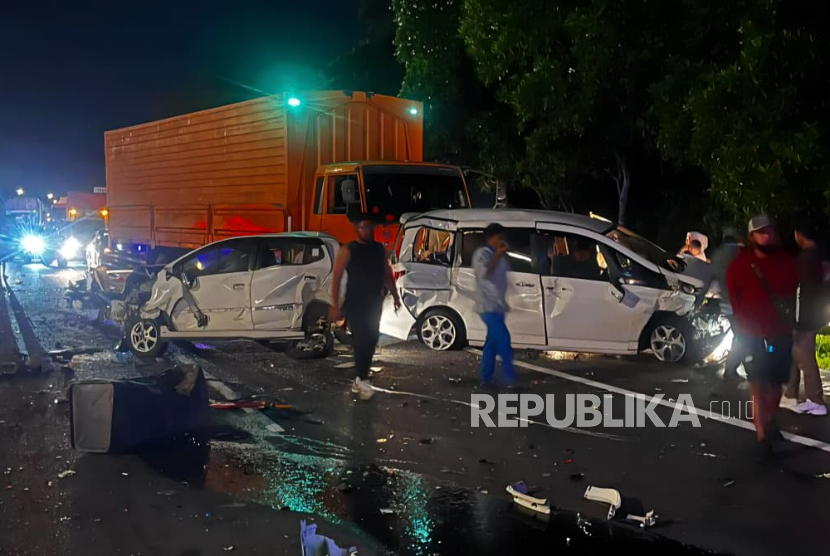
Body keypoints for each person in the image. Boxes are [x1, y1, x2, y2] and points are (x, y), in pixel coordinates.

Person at [726, 215, 799, 454]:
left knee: (776, 382)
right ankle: (761, 436)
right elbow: (733, 295)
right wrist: (741, 325)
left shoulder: (787, 261)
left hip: (780, 332)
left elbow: (796, 289)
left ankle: (769, 421)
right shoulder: (741, 264)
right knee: (757, 384)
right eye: (761, 232)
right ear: (752, 236)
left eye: (769, 231)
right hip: (753, 335)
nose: (766, 236)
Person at [330, 214, 401, 401]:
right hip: (355, 302)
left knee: (372, 338)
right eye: (363, 227)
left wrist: (395, 295)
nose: (367, 231)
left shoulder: (378, 249)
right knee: (362, 338)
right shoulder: (349, 250)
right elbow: (336, 277)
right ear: (357, 229)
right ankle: (362, 378)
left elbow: (387, 273)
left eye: (370, 227)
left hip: (374, 302)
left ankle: (361, 376)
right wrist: (335, 304)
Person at [780, 216, 828, 415]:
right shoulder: (820, 256)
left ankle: (816, 401)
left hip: (805, 317)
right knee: (795, 353)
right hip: (815, 314)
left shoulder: (806, 258)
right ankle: (790, 395)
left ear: (799, 235)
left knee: (803, 354)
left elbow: (800, 291)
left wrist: (797, 319)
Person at [472, 223, 516, 386]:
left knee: (492, 343)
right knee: (504, 339)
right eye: (499, 237)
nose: (501, 240)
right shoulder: (482, 254)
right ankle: (510, 379)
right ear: (490, 238)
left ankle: (486, 378)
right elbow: (485, 274)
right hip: (487, 306)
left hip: (498, 306)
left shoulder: (501, 257)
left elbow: (502, 282)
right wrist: (497, 256)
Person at [706, 230, 744, 391]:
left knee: (741, 336)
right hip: (742, 304)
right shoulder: (740, 253)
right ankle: (730, 373)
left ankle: (735, 370)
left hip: (727, 303)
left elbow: (710, 277)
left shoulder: (717, 255)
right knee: (744, 338)